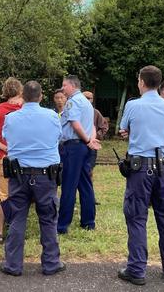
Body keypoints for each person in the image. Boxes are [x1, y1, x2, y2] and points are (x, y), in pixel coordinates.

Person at [117, 66, 164, 285]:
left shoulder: (133, 105)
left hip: (140, 168)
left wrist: (133, 133)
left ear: (142, 82)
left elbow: (124, 129)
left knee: (136, 218)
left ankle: (136, 269)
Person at [0, 80, 65, 276]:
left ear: (23, 96)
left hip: (19, 176)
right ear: (41, 95)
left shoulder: (11, 118)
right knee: (48, 219)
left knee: (17, 219)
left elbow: (6, 138)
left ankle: (13, 265)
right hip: (45, 176)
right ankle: (51, 263)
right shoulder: (52, 116)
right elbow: (57, 138)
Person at [57, 75, 101, 234]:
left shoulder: (73, 102)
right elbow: (92, 125)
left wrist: (87, 138)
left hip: (74, 147)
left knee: (69, 185)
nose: (62, 89)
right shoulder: (86, 103)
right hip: (83, 148)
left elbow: (75, 123)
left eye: (64, 85)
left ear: (72, 86)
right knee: (85, 184)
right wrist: (90, 140)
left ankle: (62, 225)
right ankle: (88, 222)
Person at [0, 78, 23, 243]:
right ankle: (17, 229)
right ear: (20, 91)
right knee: (21, 195)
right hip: (24, 159)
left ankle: (0, 233)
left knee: (2, 195)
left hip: (4, 158)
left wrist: (2, 146)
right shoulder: (25, 109)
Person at [82, 91, 108, 205]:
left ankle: (90, 198)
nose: (88, 100)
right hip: (77, 146)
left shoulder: (95, 113)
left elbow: (104, 126)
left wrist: (96, 137)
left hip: (91, 148)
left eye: (90, 98)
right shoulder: (76, 112)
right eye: (86, 98)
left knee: (89, 172)